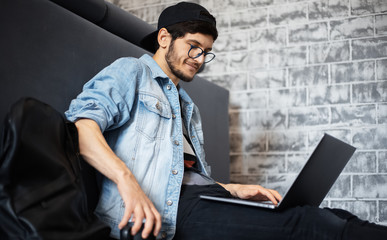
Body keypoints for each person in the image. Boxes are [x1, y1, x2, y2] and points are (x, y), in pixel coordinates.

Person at [65, 2, 387, 240]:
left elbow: (185, 175)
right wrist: (127, 182)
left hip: (197, 199)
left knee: (328, 216)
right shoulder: (130, 72)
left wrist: (233, 189)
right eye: (194, 48)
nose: (200, 60)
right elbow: (80, 127)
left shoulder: (188, 106)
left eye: (206, 52)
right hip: (168, 212)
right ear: (164, 38)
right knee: (311, 226)